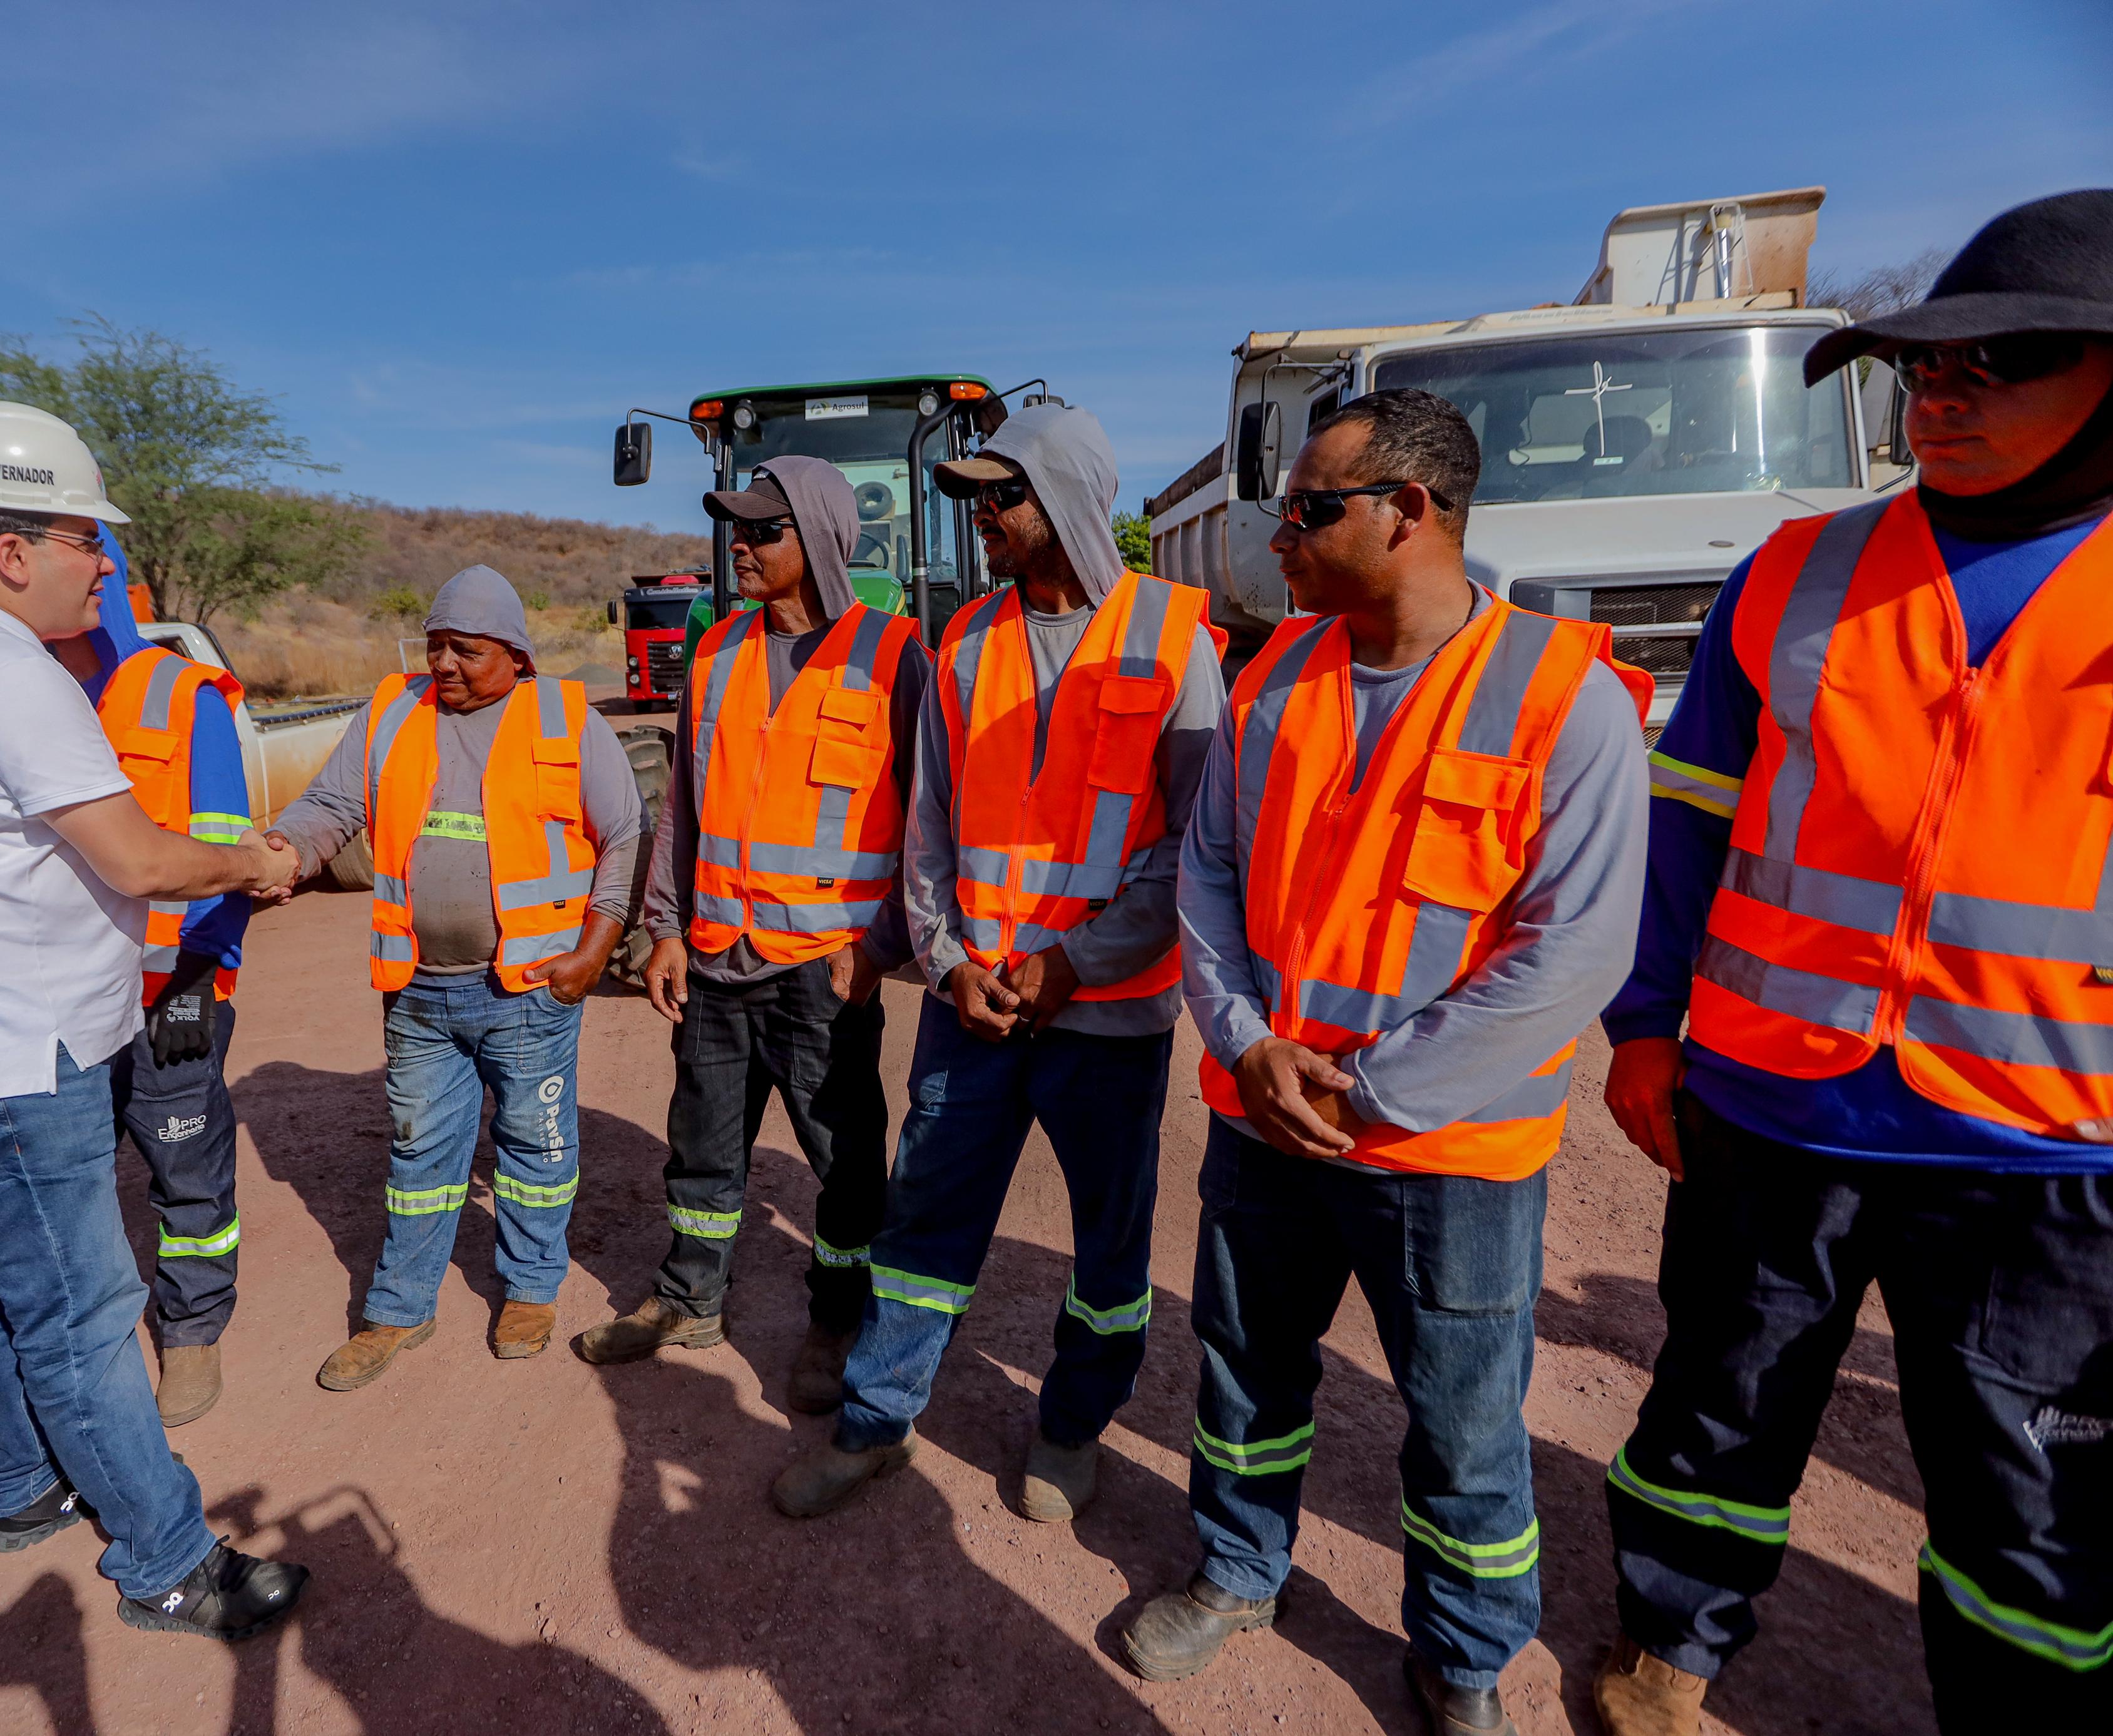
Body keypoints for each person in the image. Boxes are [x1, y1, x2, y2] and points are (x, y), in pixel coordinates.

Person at [1595, 190, 2113, 1733]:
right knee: (1719, 1405)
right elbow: (1686, 821)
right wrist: (1641, 1025)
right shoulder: (1800, 571)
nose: (1937, 396)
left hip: (2050, 1150)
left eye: (1996, 363)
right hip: (1775, 1106)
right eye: (1918, 368)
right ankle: (1667, 1645)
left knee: (2031, 1485)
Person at [1130, 389, 1650, 1734]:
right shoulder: (1273, 679)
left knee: (1464, 1421)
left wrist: (1374, 1092)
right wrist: (1247, 1047)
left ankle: (1464, 1653)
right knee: (1246, 1368)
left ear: (1406, 513)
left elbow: (1573, 950)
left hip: (1448, 1150)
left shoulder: (1562, 696)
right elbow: (1210, 877)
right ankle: (1242, 1567)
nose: (1279, 537)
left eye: (1306, 510)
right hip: (1264, 1120)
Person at [0, 401, 307, 1642]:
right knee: (87, 1313)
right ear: (11, 549)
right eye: (86, 541)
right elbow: (143, 860)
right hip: (8, 1049)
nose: (105, 565)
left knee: (2, 1283)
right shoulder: (7, 672)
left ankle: (26, 1481)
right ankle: (165, 1558)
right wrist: (254, 860)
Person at [767, 402, 1224, 1525]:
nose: (982, 516)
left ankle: (1071, 1427)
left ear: (1065, 501)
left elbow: (1193, 846)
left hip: (1108, 1015)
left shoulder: (1176, 642)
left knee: (1109, 1245)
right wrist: (947, 958)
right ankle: (877, 1421)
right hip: (973, 1010)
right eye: (976, 497)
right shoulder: (963, 641)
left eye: (1001, 496)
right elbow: (929, 831)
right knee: (925, 1221)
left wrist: (1076, 960)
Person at [576, 456, 929, 1413]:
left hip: (826, 970)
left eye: (761, 529)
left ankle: (838, 1315)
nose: (741, 543)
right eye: (736, 526)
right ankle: (691, 1297)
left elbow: (925, 823)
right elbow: (683, 810)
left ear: (814, 538)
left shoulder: (894, 655)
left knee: (845, 1161)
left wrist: (883, 944)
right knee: (700, 1144)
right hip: (718, 963)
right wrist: (664, 929)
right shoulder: (718, 653)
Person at [270, 565, 642, 1377]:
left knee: (535, 1148)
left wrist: (595, 949)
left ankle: (531, 1288)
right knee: (418, 1153)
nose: (443, 663)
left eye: (464, 649)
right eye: (434, 645)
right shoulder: (393, 709)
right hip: (421, 989)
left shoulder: (565, 717)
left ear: (514, 653)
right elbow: (332, 807)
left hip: (530, 989)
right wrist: (285, 850)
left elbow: (623, 832)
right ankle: (399, 1308)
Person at [0, 526, 252, 1450]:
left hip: (165, 993)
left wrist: (199, 980)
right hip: (41, 1000)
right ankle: (58, 1358)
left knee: (183, 1163)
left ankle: (192, 1328)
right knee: (51, 1183)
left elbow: (229, 851)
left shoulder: (178, 698)